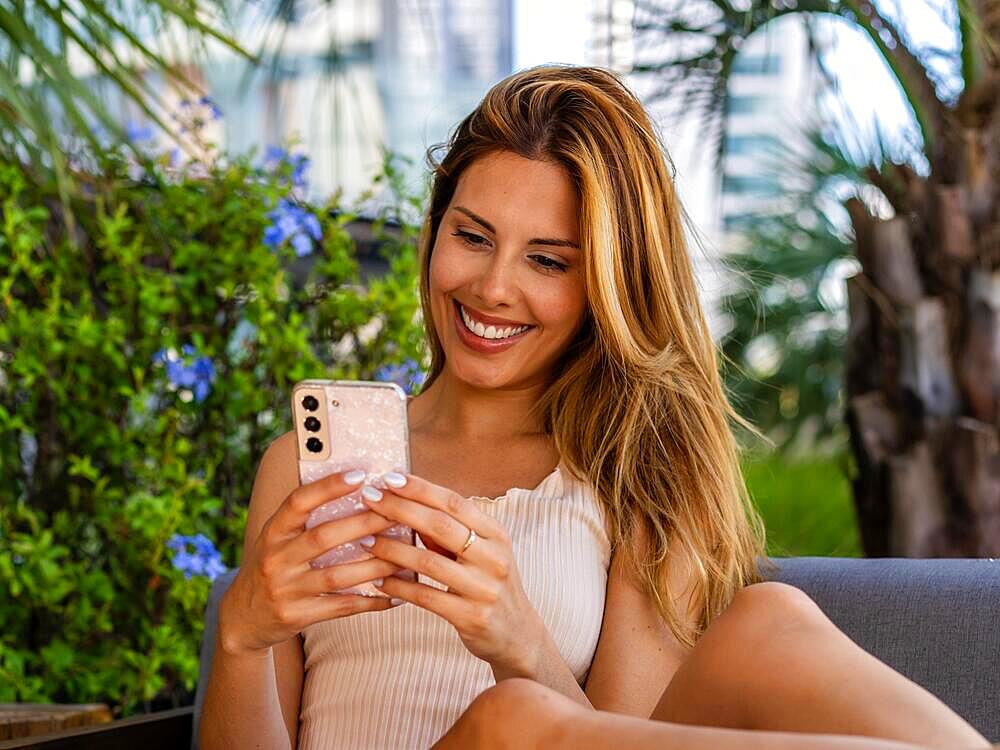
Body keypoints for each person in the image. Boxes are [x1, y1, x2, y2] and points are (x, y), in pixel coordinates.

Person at [199, 65, 991, 750]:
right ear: (436, 229)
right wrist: (241, 634)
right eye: (473, 237)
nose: (493, 287)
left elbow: (620, 740)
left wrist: (516, 638)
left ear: (605, 286)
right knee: (511, 718)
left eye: (547, 260)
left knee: (768, 619)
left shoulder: (637, 475)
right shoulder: (299, 474)